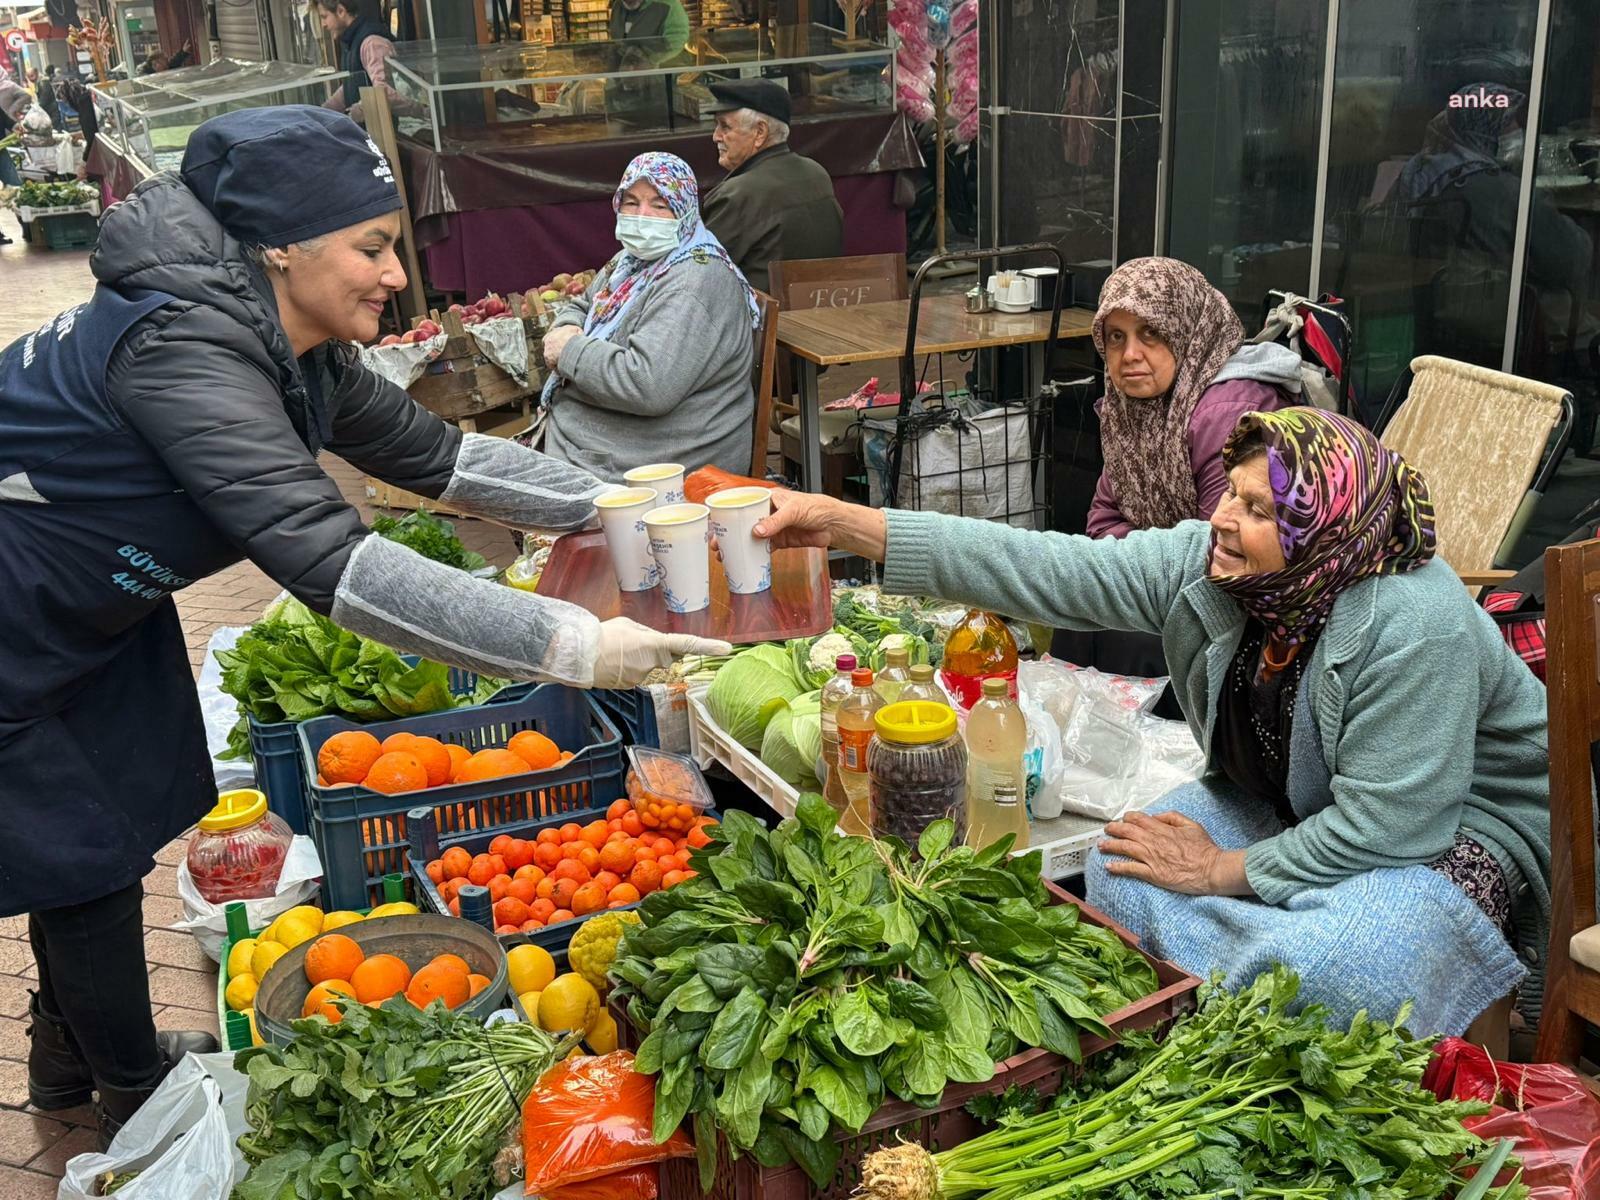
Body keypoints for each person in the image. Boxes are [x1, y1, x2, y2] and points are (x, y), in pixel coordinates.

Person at [0, 106, 727, 1147]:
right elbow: (332, 561)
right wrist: (577, 644)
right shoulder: (185, 347)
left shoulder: (275, 337)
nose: (397, 275)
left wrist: (624, 508)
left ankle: (69, 1062)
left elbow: (444, 460)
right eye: (372, 248)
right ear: (280, 250)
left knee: (106, 828)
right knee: (81, 853)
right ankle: (131, 1101)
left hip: (94, 599)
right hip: (18, 608)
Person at [751, 406, 1550, 1037]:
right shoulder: (1210, 568)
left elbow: (1393, 825)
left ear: (1323, 534)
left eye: (1260, 509)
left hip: (1458, 823)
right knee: (1117, 868)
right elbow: (1052, 568)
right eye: (1230, 494)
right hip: (1295, 797)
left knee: (1332, 964)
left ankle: (1293, 985)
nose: (1226, 521)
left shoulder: (1412, 621)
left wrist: (1220, 874)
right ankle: (1260, 995)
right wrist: (847, 523)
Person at [1055, 257, 1301, 707]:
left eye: (1151, 333)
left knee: (1130, 635)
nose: (1130, 354)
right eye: (1116, 337)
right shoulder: (1133, 408)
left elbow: (1222, 550)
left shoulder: (1229, 412)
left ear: (1188, 330)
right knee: (1079, 610)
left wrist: (1140, 562)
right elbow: (1103, 516)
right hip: (1172, 578)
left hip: (1255, 600)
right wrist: (1143, 565)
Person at [541, 151, 760, 481]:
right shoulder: (632, 262)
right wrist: (568, 328)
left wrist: (569, 351)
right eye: (631, 203)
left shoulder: (695, 280)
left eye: (659, 205)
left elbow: (646, 384)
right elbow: (584, 304)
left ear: (685, 212)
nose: (642, 216)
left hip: (659, 461)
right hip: (604, 438)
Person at [699, 78, 844, 292]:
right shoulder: (816, 173)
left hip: (763, 319)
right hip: (816, 308)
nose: (716, 136)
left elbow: (699, 274)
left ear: (760, 132)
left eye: (725, 126)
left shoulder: (738, 194)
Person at [317, 0, 398, 126]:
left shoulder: (371, 42)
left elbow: (384, 91)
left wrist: (359, 110)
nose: (323, 24)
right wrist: (322, 112)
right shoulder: (350, 41)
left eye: (324, 17)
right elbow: (353, 83)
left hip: (381, 132)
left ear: (341, 11)